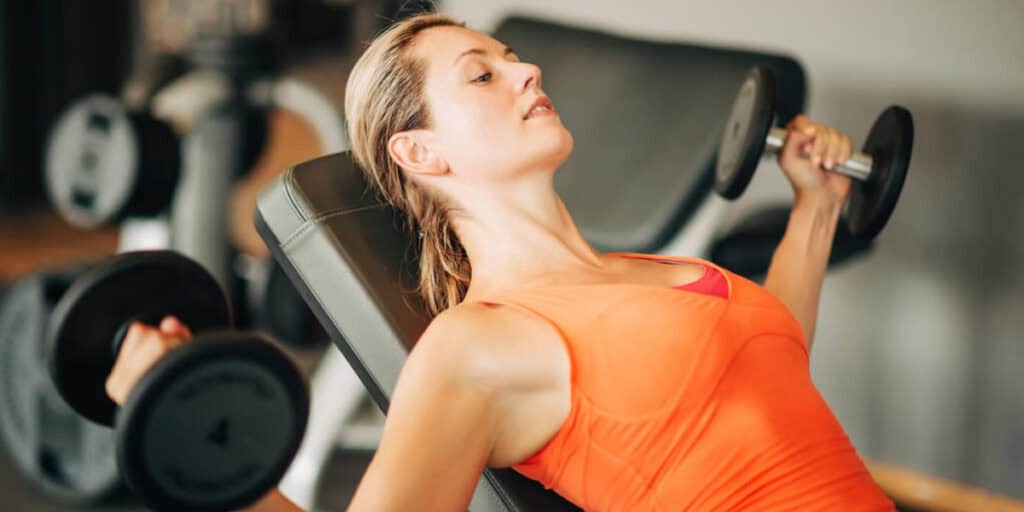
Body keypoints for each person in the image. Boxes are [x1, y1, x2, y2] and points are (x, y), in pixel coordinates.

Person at [106, 12, 894, 512]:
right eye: (484, 75)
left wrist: (816, 205)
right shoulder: (477, 345)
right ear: (420, 152)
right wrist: (185, 420)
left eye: (512, 59)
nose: (528, 73)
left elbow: (771, 359)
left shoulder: (644, 268)